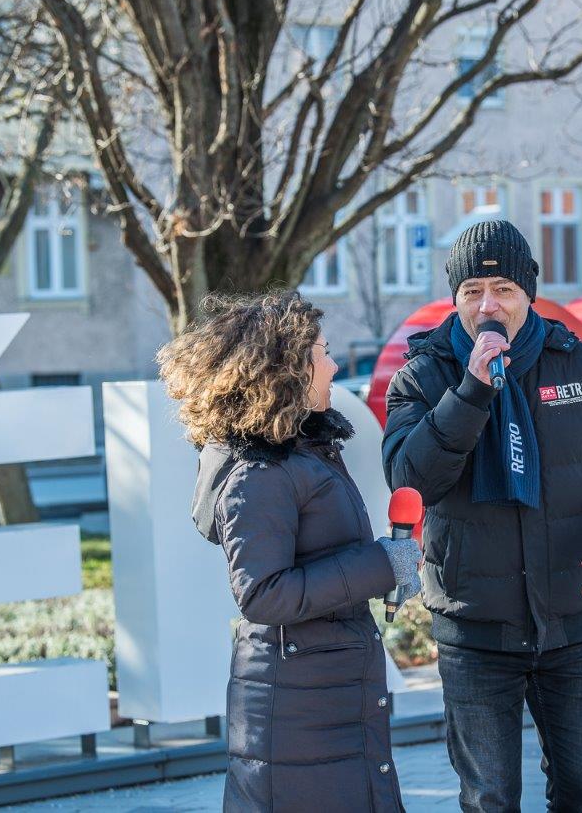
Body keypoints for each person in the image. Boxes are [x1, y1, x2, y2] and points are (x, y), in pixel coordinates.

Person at [381, 220, 582, 812]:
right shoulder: (422, 376)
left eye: (503, 289)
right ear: (456, 298)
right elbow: (412, 479)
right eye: (473, 292)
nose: (488, 305)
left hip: (572, 623)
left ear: (528, 294)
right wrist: (471, 391)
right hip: (475, 631)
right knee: (490, 798)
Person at [159, 290, 421, 813]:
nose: (333, 365)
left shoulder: (305, 453)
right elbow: (263, 594)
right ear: (287, 370)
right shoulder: (259, 474)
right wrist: (380, 565)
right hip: (299, 708)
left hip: (325, 694)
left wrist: (388, 567)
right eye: (324, 353)